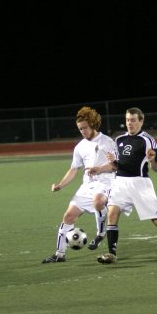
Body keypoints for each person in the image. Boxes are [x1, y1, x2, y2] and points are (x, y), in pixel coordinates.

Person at [86, 107, 157, 264]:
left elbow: (156, 168)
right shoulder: (119, 140)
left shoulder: (147, 139)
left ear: (141, 121)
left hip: (140, 184)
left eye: (133, 120)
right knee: (112, 213)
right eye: (128, 120)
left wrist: (153, 159)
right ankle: (111, 253)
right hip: (121, 182)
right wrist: (99, 169)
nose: (130, 123)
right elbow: (116, 166)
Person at [41, 106, 116, 263]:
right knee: (68, 216)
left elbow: (115, 166)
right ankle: (59, 254)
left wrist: (99, 169)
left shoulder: (107, 142)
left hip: (106, 182)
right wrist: (60, 185)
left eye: (85, 128)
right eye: (80, 129)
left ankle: (101, 233)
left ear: (93, 124)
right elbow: (74, 169)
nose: (83, 132)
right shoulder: (80, 147)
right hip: (87, 186)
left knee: (98, 201)